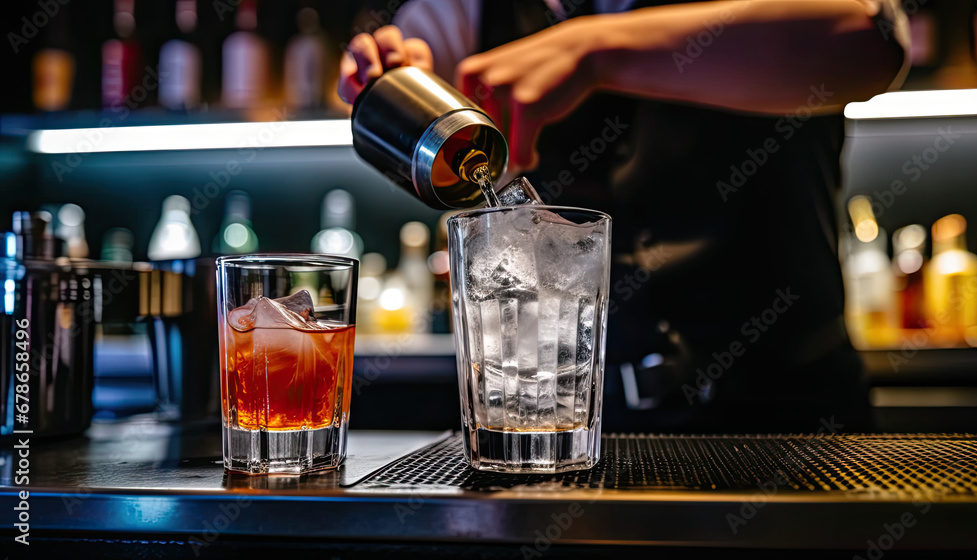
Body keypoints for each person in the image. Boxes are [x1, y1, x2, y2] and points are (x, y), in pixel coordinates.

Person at [338, 0, 910, 433]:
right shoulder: (461, 10)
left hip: (787, 422)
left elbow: (870, 40)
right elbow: (409, 84)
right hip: (567, 432)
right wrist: (398, 83)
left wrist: (593, 52)